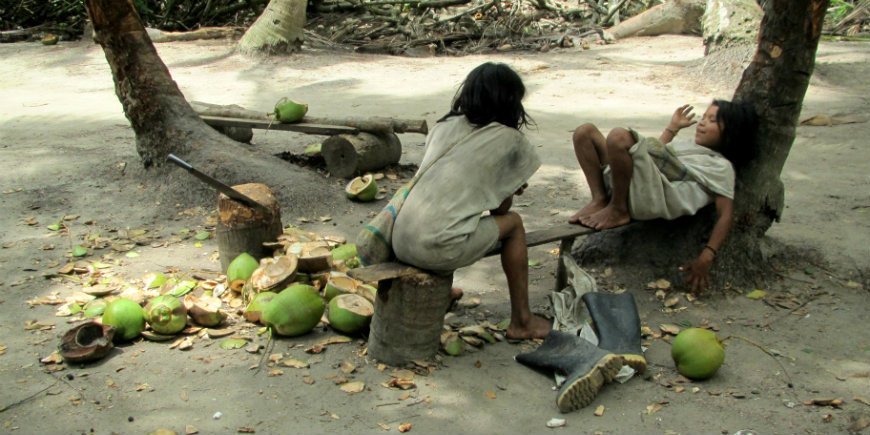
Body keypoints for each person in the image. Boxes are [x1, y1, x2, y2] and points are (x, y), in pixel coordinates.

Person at [391, 62, 551, 340]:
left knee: (454, 213)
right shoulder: (509, 140)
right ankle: (522, 321)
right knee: (513, 224)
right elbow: (500, 210)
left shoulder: (444, 126)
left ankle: (444, 293)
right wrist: (508, 188)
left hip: (400, 239)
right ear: (511, 102)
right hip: (434, 247)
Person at [569, 100, 759, 291]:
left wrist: (707, 255)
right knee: (584, 132)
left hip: (650, 197)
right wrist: (672, 128)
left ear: (730, 133)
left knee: (619, 137)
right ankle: (600, 198)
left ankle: (619, 209)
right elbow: (656, 155)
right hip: (629, 182)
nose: (702, 122)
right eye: (703, 117)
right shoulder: (688, 146)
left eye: (712, 120)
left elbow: (725, 214)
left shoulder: (721, 167)